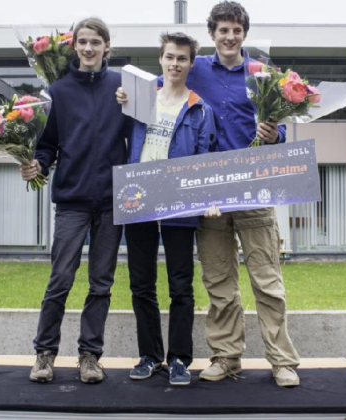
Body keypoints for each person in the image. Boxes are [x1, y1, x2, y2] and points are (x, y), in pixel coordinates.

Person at [117, 0, 301, 387]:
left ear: (244, 34)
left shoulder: (262, 75)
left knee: (266, 281)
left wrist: (276, 134)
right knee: (219, 283)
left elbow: (281, 127)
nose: (230, 36)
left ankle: (282, 361)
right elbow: (164, 84)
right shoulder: (195, 68)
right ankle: (226, 356)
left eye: (236, 30)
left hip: (253, 188)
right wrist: (127, 96)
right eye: (223, 30)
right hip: (208, 194)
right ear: (213, 34)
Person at [21, 17, 131, 385]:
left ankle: (90, 356)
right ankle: (44, 353)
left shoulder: (122, 87)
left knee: (101, 283)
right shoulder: (59, 90)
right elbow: (47, 143)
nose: (88, 48)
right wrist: (38, 165)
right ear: (75, 46)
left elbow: (143, 134)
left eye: (95, 42)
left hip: (113, 201)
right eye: (82, 42)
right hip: (71, 201)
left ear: (107, 47)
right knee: (60, 279)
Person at [126, 32, 217, 386]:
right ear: (160, 60)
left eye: (182, 58)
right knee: (141, 283)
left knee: (181, 285)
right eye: (169, 57)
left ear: (191, 63)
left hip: (179, 199)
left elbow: (206, 157)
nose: (175, 63)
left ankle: (179, 358)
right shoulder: (138, 100)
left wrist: (208, 198)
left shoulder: (200, 108)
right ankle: (150, 356)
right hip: (139, 197)